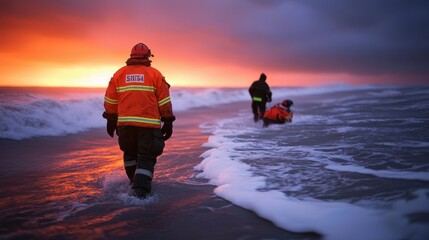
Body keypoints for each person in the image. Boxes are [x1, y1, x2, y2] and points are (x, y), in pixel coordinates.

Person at [102, 42, 176, 198]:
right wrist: (168, 121)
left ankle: (133, 184)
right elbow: (164, 101)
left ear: (131, 56)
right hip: (148, 126)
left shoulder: (119, 74)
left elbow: (110, 100)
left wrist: (111, 119)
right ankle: (140, 193)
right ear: (148, 56)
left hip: (125, 125)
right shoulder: (155, 75)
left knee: (130, 154)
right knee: (147, 156)